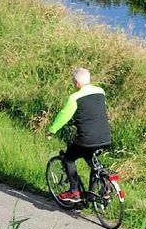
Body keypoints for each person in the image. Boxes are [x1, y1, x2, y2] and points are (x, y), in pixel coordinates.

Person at [46, 67, 111, 203]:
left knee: (69, 158)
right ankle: (97, 190)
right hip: (105, 137)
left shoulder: (74, 98)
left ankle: (74, 191)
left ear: (76, 83)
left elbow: (64, 116)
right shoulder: (101, 92)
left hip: (87, 139)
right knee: (91, 159)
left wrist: (52, 130)